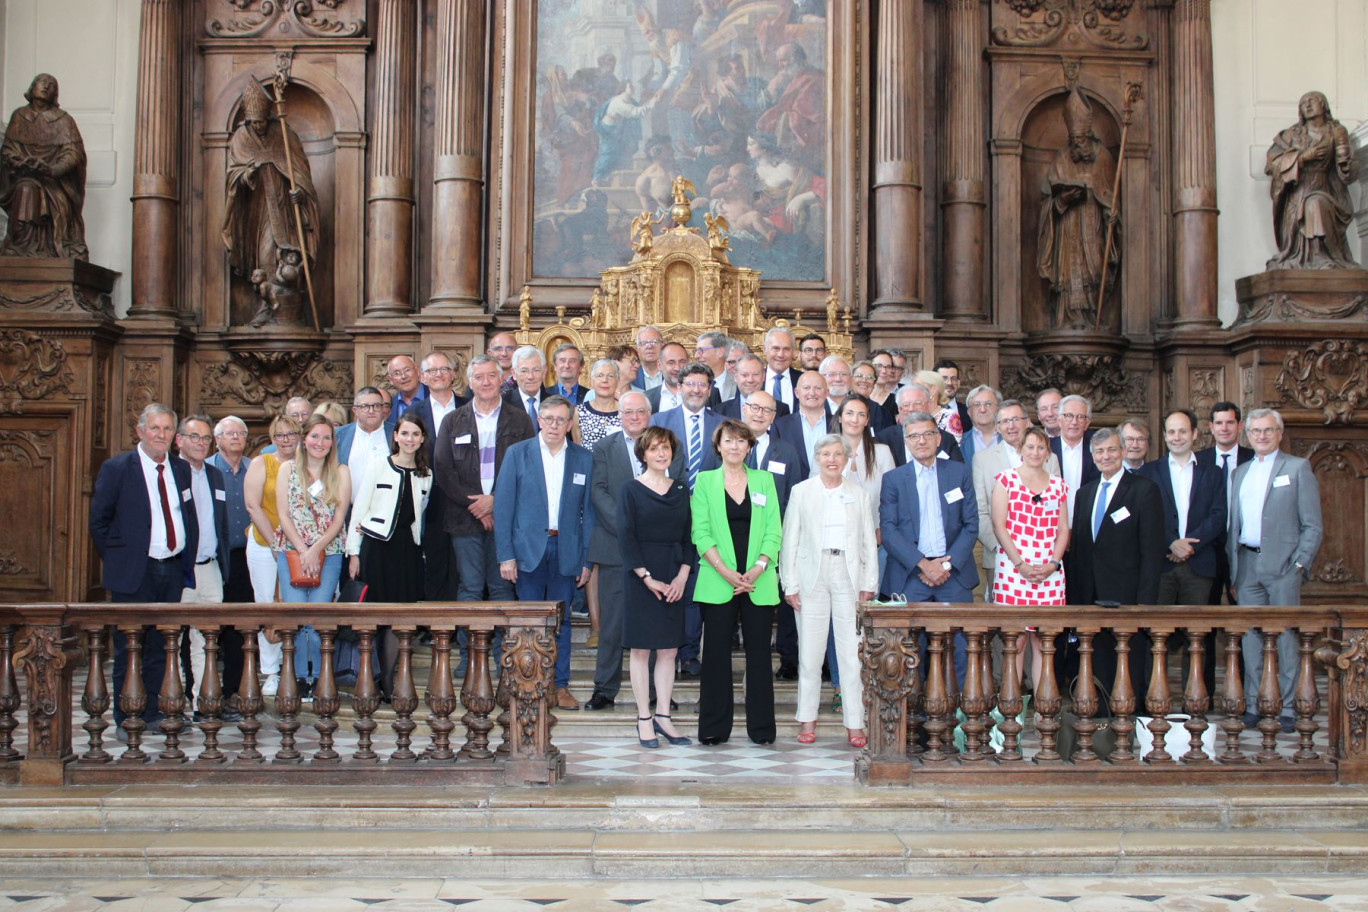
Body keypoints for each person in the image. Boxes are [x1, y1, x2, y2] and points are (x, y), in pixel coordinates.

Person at [89, 403, 199, 729]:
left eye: (166, 429)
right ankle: (128, 717)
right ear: (140, 431)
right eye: (155, 428)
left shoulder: (180, 469)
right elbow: (99, 522)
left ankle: (155, 712)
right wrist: (121, 560)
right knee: (129, 647)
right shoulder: (118, 468)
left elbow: (186, 516)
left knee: (161, 646)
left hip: (171, 569)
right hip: (134, 573)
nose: (161, 435)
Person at [494, 395, 595, 711]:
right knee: (528, 623)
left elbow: (589, 513)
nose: (554, 425)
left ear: (569, 423)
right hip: (527, 552)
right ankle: (526, 685)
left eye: (560, 419)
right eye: (548, 418)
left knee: (561, 622)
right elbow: (504, 506)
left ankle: (559, 686)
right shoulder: (518, 454)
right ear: (539, 420)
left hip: (566, 550)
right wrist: (505, 555)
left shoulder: (583, 459)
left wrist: (587, 560)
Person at [585, 392, 681, 711]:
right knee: (612, 624)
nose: (635, 417)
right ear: (619, 415)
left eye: (641, 411)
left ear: (650, 414)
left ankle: (657, 694)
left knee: (655, 623)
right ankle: (605, 688)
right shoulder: (604, 447)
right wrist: (628, 525)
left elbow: (674, 492)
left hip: (657, 554)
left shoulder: (666, 447)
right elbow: (597, 492)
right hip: (615, 548)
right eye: (628, 412)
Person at [1229, 408, 1323, 733]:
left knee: (1285, 639)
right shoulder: (1239, 473)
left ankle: (1287, 708)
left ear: (1279, 434)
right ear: (1248, 435)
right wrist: (1233, 569)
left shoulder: (1297, 468)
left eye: (1268, 430)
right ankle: (1256, 704)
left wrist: (1299, 564)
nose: (1262, 436)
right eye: (1256, 431)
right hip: (1247, 563)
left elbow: (1313, 525)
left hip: (1283, 566)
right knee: (1251, 641)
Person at [781, 434, 878, 746]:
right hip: (812, 574)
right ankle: (806, 720)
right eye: (826, 454)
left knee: (851, 654)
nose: (832, 459)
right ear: (817, 458)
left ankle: (855, 723)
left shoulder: (858, 494)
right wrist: (789, 583)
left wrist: (868, 584)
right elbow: (790, 540)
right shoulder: (801, 492)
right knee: (810, 653)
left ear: (848, 459)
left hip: (849, 577)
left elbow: (868, 543)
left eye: (838, 454)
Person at [691, 420, 783, 744]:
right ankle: (714, 729)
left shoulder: (764, 480)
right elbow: (699, 531)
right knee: (716, 655)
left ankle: (761, 730)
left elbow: (774, 529)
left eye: (741, 441)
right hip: (719, 580)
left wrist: (758, 568)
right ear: (718, 445)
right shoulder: (704, 482)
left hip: (758, 581)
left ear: (749, 447)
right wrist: (725, 571)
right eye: (728, 440)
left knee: (759, 656)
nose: (734, 446)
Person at [881, 412, 980, 686]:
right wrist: (925, 566)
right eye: (914, 436)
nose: (921, 440)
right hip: (911, 575)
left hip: (954, 575)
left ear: (938, 438)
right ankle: (915, 721)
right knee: (908, 651)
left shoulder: (959, 473)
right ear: (906, 442)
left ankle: (960, 718)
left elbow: (971, 525)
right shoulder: (893, 479)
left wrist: (944, 566)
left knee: (961, 649)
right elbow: (889, 531)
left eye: (927, 434)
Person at [1065, 428, 1165, 697]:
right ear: (1093, 457)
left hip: (1127, 596)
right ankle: (1101, 721)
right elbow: (1079, 550)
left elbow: (1152, 550)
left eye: (1111, 449)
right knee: (1096, 664)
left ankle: (1129, 722)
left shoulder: (1144, 490)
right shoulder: (1084, 494)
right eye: (1099, 451)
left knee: (1129, 665)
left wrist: (1145, 601)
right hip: (1090, 596)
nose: (1105, 456)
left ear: (1121, 451)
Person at [434, 354, 535, 621]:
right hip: (464, 518)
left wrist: (494, 502)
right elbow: (443, 470)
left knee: (502, 588)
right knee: (469, 588)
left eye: (492, 375)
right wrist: (477, 506)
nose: (486, 381)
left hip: (507, 520)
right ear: (469, 382)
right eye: (479, 377)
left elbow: (528, 470)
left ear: (502, 379)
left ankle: (504, 658)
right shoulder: (453, 421)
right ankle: (468, 660)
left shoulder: (520, 420)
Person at [346, 413, 432, 701]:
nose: (410, 439)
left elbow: (420, 516)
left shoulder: (426, 474)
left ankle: (389, 680)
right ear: (395, 436)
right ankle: (367, 678)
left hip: (407, 553)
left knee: (399, 619)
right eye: (405, 433)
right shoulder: (378, 466)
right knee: (373, 618)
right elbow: (360, 509)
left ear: (422, 439)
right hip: (376, 548)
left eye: (415, 434)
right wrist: (353, 552)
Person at [620, 426, 694, 748]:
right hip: (642, 576)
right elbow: (626, 537)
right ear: (643, 454)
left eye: (665, 448)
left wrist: (681, 577)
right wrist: (647, 577)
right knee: (641, 650)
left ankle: (664, 715)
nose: (661, 454)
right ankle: (643, 718)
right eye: (654, 449)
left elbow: (690, 537)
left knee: (669, 649)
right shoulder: (630, 490)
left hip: (675, 575)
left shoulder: (680, 489)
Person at [274, 415, 351, 697]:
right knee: (295, 617)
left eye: (326, 438)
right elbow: (283, 513)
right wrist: (303, 550)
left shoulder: (341, 472)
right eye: (315, 437)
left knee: (318, 618)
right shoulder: (287, 469)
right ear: (304, 440)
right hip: (292, 550)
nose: (320, 443)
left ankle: (318, 678)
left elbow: (339, 517)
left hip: (328, 552)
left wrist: (316, 549)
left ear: (333, 443)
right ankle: (296, 678)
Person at [222, 79, 319, 302]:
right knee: (264, 253)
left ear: (269, 117)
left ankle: (286, 306)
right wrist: (247, 174)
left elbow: (300, 172)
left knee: (285, 255)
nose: (259, 126)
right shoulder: (241, 137)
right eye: (254, 123)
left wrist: (300, 194)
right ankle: (268, 307)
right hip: (256, 209)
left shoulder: (283, 133)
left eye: (262, 122)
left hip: (284, 207)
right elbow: (233, 175)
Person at [990, 426, 1069, 687]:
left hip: (1049, 572)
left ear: (1048, 452)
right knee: (1016, 641)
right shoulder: (1006, 480)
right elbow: (999, 526)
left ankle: (1044, 710)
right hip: (1015, 570)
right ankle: (1012, 712)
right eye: (1030, 446)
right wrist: (1020, 564)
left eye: (1041, 447)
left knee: (1044, 642)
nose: (1035, 452)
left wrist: (1052, 564)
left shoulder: (1059, 486)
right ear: (1020, 449)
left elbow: (1063, 530)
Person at [1037, 86, 1119, 329]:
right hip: (1068, 226)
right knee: (1068, 275)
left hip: (1093, 224)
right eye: (1073, 140)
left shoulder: (1103, 156)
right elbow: (1047, 197)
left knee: (1093, 270)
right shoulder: (1063, 157)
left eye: (1080, 140)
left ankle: (1092, 319)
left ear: (1089, 135)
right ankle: (1069, 320)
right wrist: (1062, 200)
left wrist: (1111, 215)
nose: (1077, 144)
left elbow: (1110, 195)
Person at [175, 415, 233, 719]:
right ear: (179, 440)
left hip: (210, 568)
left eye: (206, 438)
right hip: (180, 570)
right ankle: (173, 703)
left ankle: (204, 702)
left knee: (207, 640)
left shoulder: (214, 475)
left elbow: (220, 524)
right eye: (194, 437)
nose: (201, 443)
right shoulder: (172, 473)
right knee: (174, 641)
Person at [972, 399, 1060, 596]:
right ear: (997, 428)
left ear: (1027, 422)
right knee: (1004, 622)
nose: (1010, 426)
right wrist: (1002, 549)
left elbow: (1055, 510)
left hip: (1043, 558)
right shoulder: (982, 460)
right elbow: (980, 510)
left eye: (1015, 419)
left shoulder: (1049, 459)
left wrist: (1047, 552)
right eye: (1004, 421)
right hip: (999, 554)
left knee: (1044, 621)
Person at [1265, 90, 1359, 270]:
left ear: (1323, 105)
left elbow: (1349, 171)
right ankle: (1316, 258)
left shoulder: (1336, 131)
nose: (1307, 105)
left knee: (1315, 203)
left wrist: (1345, 166)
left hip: (1327, 189)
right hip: (1298, 191)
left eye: (1312, 101)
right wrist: (1303, 158)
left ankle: (1322, 255)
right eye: (1303, 103)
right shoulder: (1292, 134)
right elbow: (1272, 162)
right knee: (1312, 203)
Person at [405, 352, 471, 601]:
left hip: (466, 497)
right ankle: (436, 626)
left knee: (463, 563)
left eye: (444, 369)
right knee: (434, 560)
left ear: (454, 374)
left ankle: (460, 625)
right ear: (423, 377)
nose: (439, 374)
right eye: (432, 370)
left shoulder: (469, 406)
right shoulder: (415, 411)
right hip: (429, 498)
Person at [0, 73, 87, 259]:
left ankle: (41, 248)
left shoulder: (64, 120)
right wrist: (20, 162)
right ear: (32, 88)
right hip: (24, 178)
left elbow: (74, 153)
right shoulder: (19, 116)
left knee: (40, 194)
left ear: (55, 93)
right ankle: (22, 245)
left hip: (55, 183)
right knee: (26, 188)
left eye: (51, 84)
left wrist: (52, 170)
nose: (46, 86)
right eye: (42, 82)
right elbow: (7, 150)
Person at [243, 414, 300, 696]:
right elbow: (253, 507)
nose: (286, 440)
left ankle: (298, 667)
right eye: (280, 435)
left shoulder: (306, 463)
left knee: (297, 606)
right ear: (272, 438)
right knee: (267, 605)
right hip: (265, 545)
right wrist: (276, 542)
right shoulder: (260, 463)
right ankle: (270, 671)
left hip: (301, 547)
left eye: (291, 434)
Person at [209, 415, 252, 698]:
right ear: (217, 439)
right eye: (229, 433)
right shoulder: (206, 469)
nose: (236, 437)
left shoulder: (253, 467)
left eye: (241, 432)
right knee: (211, 626)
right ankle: (205, 689)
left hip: (247, 557)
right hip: (214, 557)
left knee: (241, 624)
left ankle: (234, 689)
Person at [1195, 401, 1253, 604]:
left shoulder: (1254, 459)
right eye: (1219, 423)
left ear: (1240, 425)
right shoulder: (1197, 461)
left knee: (1244, 609)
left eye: (1230, 422)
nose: (1224, 428)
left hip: (1243, 547)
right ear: (1211, 427)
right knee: (1206, 611)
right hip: (1207, 547)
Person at [877, 383, 963, 468]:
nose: (911, 409)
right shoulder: (884, 438)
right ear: (899, 409)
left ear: (928, 405)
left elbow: (957, 472)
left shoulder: (946, 439)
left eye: (917, 403)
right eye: (906, 405)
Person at [832, 394, 895, 504]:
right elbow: (815, 492)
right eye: (849, 413)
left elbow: (892, 495)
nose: (854, 420)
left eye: (861, 415)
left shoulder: (883, 452)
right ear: (840, 417)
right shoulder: (824, 452)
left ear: (866, 421)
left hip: (874, 520)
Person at [335, 387, 392, 506]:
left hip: (388, 512)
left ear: (383, 409)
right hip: (348, 512)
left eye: (376, 405)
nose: (371, 411)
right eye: (365, 406)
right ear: (355, 410)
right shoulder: (339, 436)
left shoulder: (397, 433)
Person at [773, 371, 831, 479]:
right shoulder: (781, 426)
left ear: (826, 393)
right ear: (797, 393)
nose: (812, 393)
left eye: (818, 388)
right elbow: (776, 466)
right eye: (806, 388)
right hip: (792, 492)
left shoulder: (838, 424)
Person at [1050, 394, 1098, 525]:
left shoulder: (1098, 451)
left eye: (1080, 417)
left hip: (1087, 526)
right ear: (1059, 420)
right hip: (1052, 526)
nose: (1074, 422)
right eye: (1069, 416)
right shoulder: (1046, 450)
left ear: (1087, 423)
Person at [719, 353, 790, 420]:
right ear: (735, 377)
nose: (750, 380)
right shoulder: (720, 411)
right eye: (744, 375)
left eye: (755, 374)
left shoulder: (781, 410)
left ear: (763, 376)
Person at [575, 359, 623, 450]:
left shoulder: (626, 411)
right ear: (591, 381)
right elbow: (577, 449)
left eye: (610, 376)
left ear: (618, 381)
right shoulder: (579, 412)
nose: (605, 380)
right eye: (600, 376)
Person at [503, 345, 553, 430]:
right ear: (514, 373)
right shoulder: (503, 403)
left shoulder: (555, 403)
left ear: (544, 372)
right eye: (524, 371)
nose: (530, 376)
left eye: (536, 370)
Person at [959, 385, 1001, 471]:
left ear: (998, 409)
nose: (983, 410)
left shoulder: (1010, 439)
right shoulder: (959, 442)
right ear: (969, 412)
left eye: (988, 404)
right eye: (977, 405)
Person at [645, 342, 691, 414]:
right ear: (659, 365)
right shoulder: (647, 398)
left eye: (682, 362)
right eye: (671, 363)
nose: (677, 368)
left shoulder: (704, 394)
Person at [764, 328, 802, 412]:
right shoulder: (753, 379)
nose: (781, 354)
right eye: (776, 348)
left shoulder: (802, 379)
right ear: (765, 350)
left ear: (793, 352)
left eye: (786, 349)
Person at [935, 358, 973, 440]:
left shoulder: (969, 413)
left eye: (953, 378)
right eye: (944, 378)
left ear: (959, 383)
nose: (949, 383)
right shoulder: (927, 411)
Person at [694, 331, 737, 403]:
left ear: (720, 352)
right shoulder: (690, 383)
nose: (696, 356)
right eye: (695, 351)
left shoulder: (738, 383)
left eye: (701, 350)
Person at [850, 361, 891, 432]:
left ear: (874, 383)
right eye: (859, 376)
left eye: (869, 377)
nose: (864, 380)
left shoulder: (883, 413)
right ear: (850, 379)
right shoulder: (839, 406)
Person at [386, 355, 428, 421]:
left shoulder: (434, 396)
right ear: (390, 379)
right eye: (396, 373)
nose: (403, 376)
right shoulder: (389, 405)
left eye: (407, 370)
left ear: (417, 371)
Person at [868, 350, 901, 423]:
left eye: (888, 367)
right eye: (879, 366)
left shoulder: (896, 400)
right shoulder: (859, 397)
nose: (884, 371)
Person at [631, 326, 666, 390]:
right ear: (637, 349)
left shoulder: (673, 374)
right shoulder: (631, 378)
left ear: (662, 346)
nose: (649, 346)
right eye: (644, 343)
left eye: (654, 342)